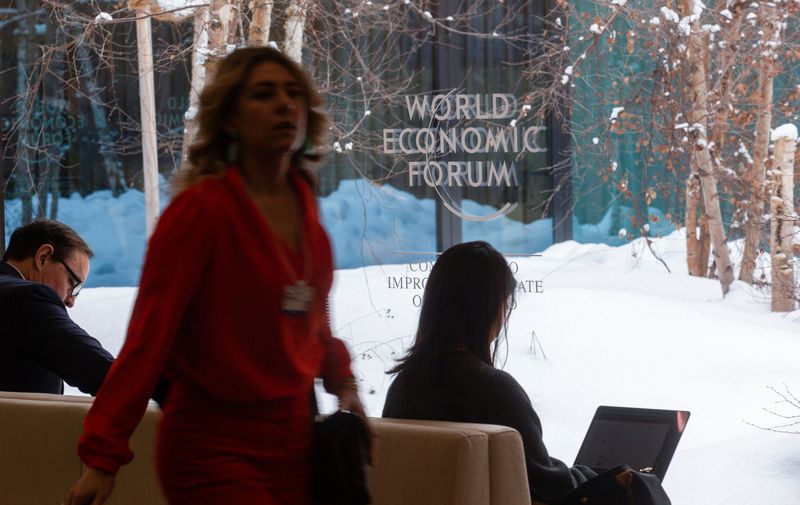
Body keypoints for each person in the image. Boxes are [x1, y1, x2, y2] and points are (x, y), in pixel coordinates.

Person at [66, 46, 368, 505]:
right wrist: (102, 455)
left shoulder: (307, 214)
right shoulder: (200, 214)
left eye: (293, 94)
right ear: (229, 118)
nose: (285, 104)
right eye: (263, 94)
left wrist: (343, 381)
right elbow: (148, 340)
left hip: (295, 444)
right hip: (213, 447)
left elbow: (311, 319)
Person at [382, 241, 669, 504]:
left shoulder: (404, 385)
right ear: (490, 308)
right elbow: (550, 486)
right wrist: (600, 476)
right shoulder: (491, 389)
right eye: (506, 304)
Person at [0, 219, 114, 395]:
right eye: (73, 284)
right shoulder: (26, 298)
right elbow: (98, 368)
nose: (71, 301)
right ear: (43, 257)